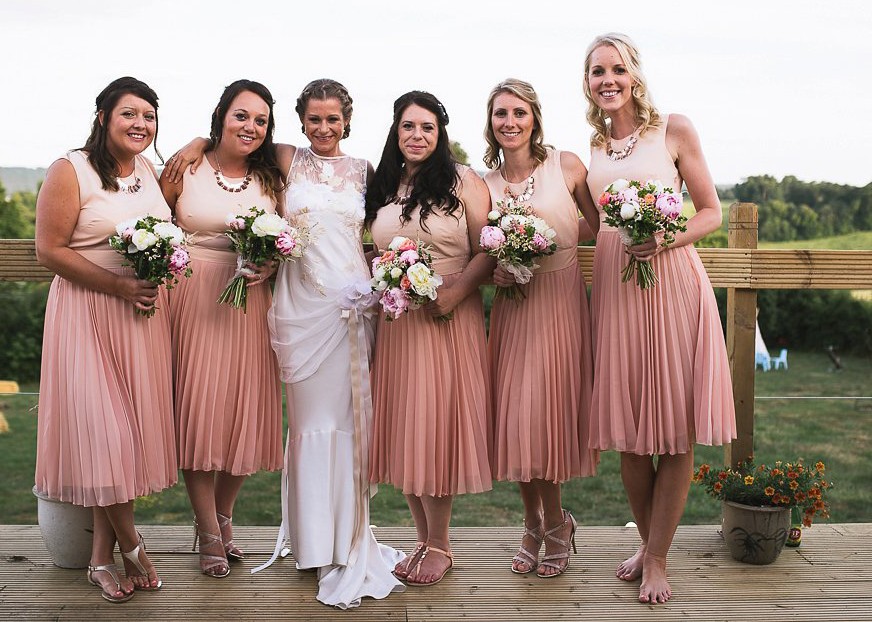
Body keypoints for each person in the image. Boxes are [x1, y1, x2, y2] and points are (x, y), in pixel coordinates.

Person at [165, 79, 404, 608]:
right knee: (308, 425)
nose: (323, 128)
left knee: (349, 424)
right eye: (314, 119)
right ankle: (313, 544)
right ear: (300, 121)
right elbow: (231, 139)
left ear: (347, 120)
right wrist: (191, 146)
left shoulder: (365, 171)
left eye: (333, 119)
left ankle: (347, 539)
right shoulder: (284, 158)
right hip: (300, 311)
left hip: (353, 308)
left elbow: (394, 220)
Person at [582, 33, 736, 604]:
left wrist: (665, 237)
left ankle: (659, 560)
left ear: (634, 74)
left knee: (672, 432)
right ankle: (648, 543)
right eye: (597, 72)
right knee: (629, 435)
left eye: (617, 69)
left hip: (670, 287)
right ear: (588, 83)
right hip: (619, 295)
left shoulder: (673, 129)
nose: (608, 80)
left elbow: (712, 213)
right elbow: (591, 225)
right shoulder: (594, 148)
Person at [34, 77, 174, 603]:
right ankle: (133, 546)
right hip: (86, 315)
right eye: (129, 114)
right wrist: (118, 284)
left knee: (120, 443)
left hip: (138, 323)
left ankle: (98, 561)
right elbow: (49, 250)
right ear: (102, 117)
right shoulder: (71, 169)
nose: (140, 125)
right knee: (108, 435)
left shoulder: (147, 170)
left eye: (149, 116)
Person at [366, 90, 494, 587]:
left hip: (446, 317)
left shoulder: (462, 180)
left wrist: (457, 292)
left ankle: (441, 543)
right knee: (407, 427)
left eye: (427, 128)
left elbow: (489, 246)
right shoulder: (384, 185)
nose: (416, 136)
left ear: (440, 134)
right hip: (398, 324)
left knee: (436, 428)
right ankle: (421, 538)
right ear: (395, 133)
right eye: (407, 127)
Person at [160, 80, 284, 578]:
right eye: (241, 116)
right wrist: (195, 142)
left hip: (250, 298)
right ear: (221, 116)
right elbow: (150, 221)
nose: (250, 127)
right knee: (199, 409)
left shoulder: (271, 180)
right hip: (191, 294)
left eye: (260, 120)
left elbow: (288, 239)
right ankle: (207, 529)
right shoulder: (185, 166)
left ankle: (224, 516)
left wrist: (272, 266)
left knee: (243, 411)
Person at [482, 78, 600, 577]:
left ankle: (554, 523)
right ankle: (534, 523)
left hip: (560, 305)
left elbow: (599, 228)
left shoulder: (567, 166)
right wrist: (499, 268)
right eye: (500, 114)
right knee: (517, 419)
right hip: (512, 307)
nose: (509, 123)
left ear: (535, 118)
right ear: (490, 123)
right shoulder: (481, 183)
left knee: (547, 417)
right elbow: (474, 250)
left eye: (518, 113)